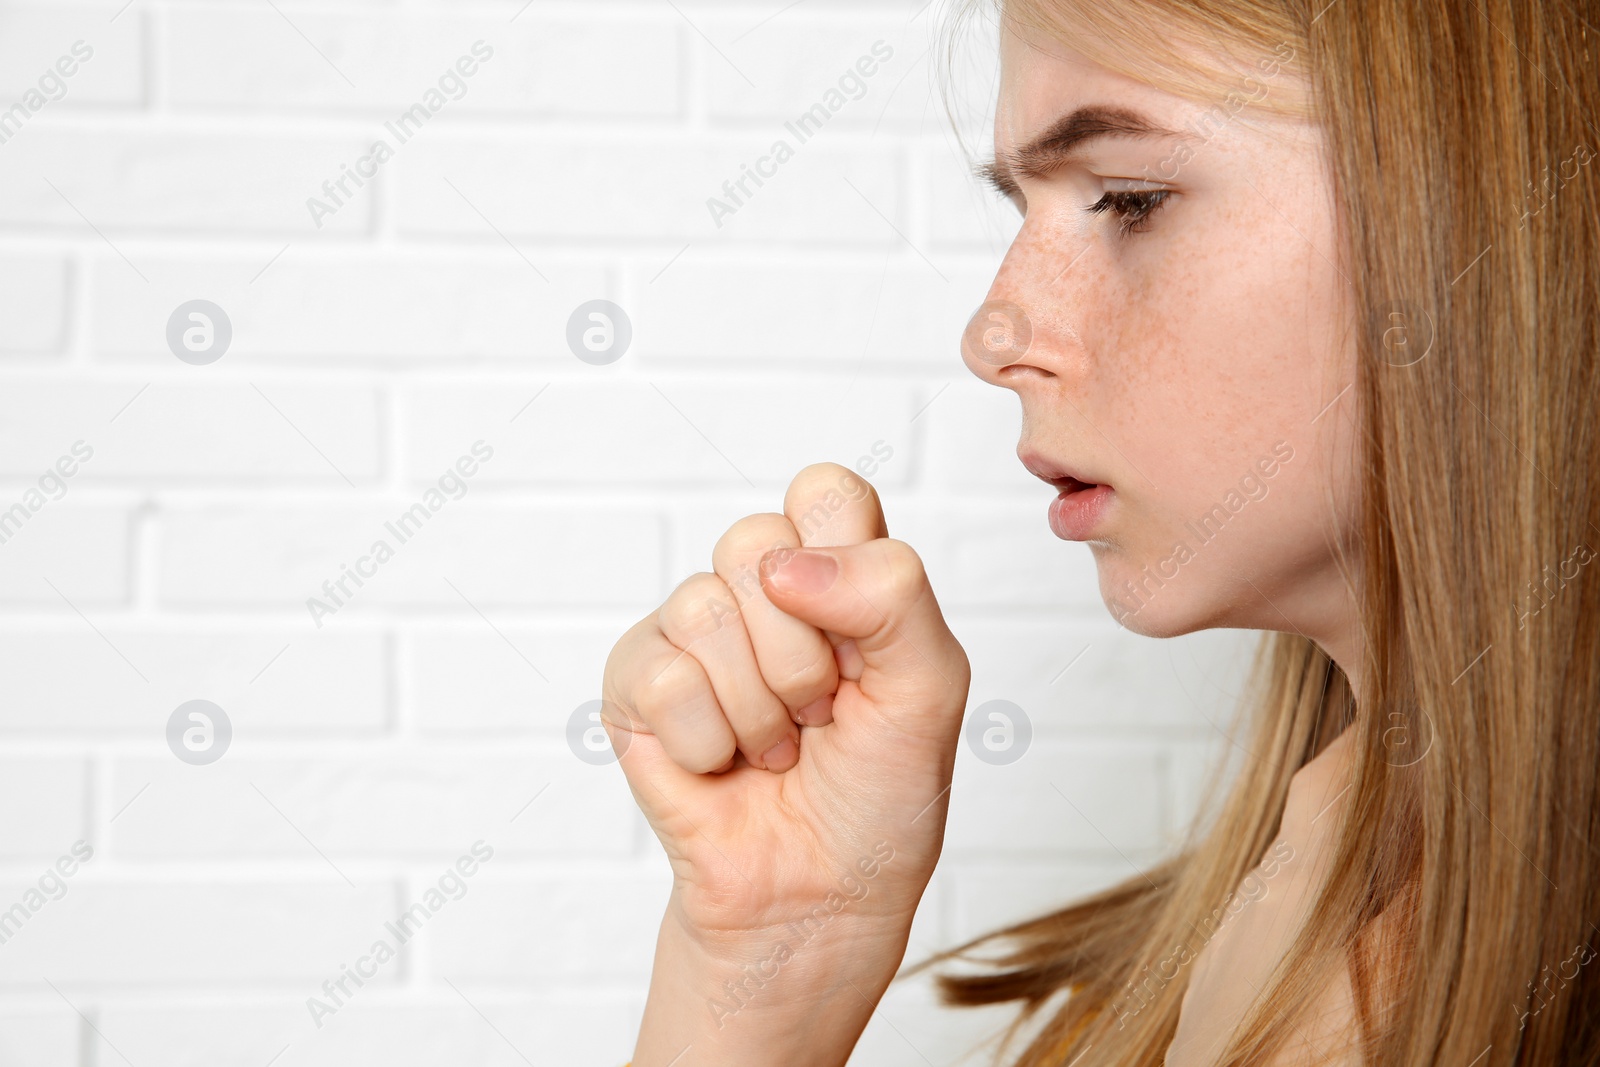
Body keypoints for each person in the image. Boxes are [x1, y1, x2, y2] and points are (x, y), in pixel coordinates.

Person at [601, 0, 1600, 1063]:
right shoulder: (1195, 971)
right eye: (1020, 207)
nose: (992, 336)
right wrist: (767, 976)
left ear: (1494, 202)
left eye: (1129, 198)